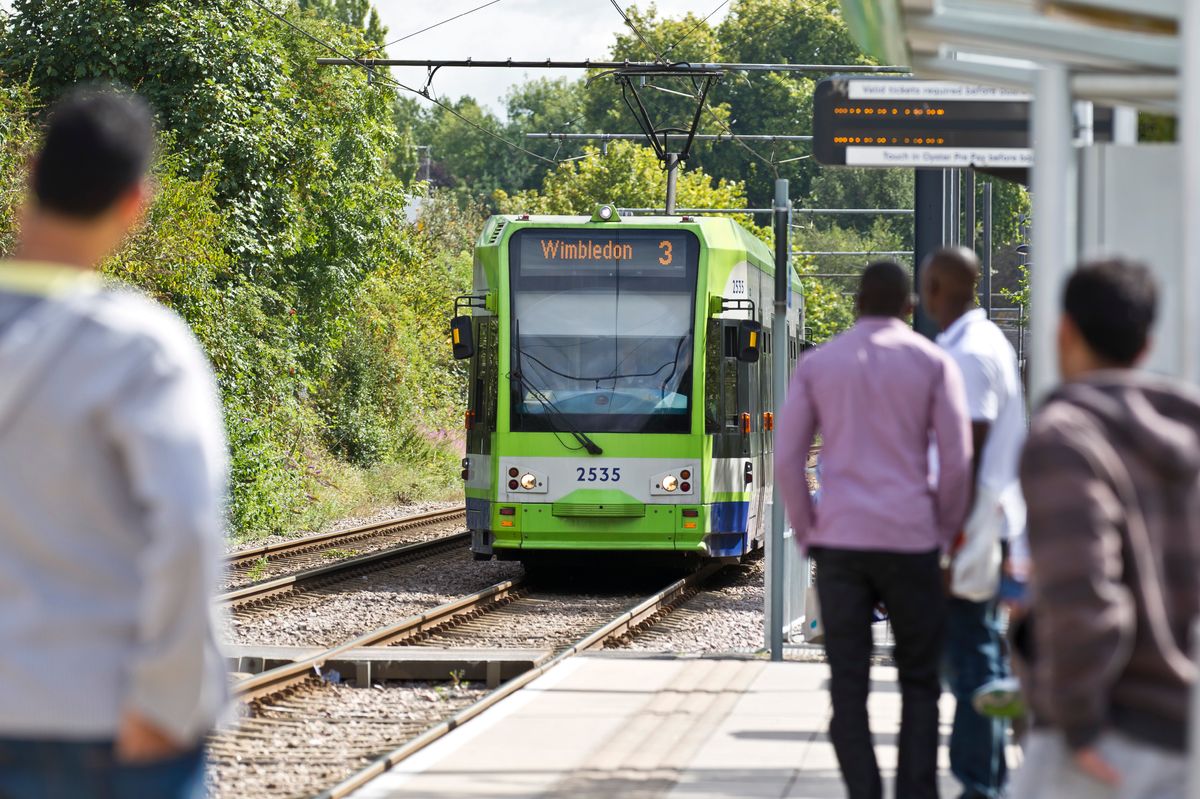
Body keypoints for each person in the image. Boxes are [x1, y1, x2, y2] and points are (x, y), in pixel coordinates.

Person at [0, 88, 228, 798]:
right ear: (135, 202)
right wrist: (164, 703)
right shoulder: (140, 350)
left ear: (30, 172)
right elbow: (188, 532)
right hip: (99, 722)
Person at [778, 261, 973, 799]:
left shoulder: (819, 365)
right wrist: (945, 530)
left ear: (857, 303)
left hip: (841, 545)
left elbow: (788, 459)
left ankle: (864, 791)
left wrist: (807, 531)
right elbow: (956, 463)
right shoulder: (934, 364)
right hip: (912, 543)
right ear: (910, 307)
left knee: (847, 685)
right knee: (920, 682)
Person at [1012, 259, 1200, 799]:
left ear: (1064, 331)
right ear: (1146, 345)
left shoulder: (1067, 438)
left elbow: (1086, 594)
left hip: (1108, 737)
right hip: (1183, 735)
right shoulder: (1188, 431)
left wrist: (1077, 722)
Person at [920, 247, 1025, 799]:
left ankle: (980, 785)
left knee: (971, 660)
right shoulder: (979, 345)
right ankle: (989, 778)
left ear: (938, 287)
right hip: (981, 525)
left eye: (925, 286)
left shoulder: (970, 353)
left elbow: (968, 455)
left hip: (971, 529)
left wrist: (946, 546)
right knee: (970, 653)